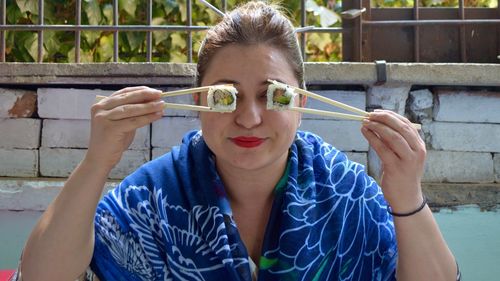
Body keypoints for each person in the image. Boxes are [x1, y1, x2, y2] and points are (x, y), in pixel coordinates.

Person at [16, 1, 459, 280]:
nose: (249, 117)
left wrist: (407, 197)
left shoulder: (346, 192)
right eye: (226, 96)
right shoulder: (154, 197)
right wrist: (96, 163)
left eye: (273, 95)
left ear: (301, 104)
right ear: (199, 102)